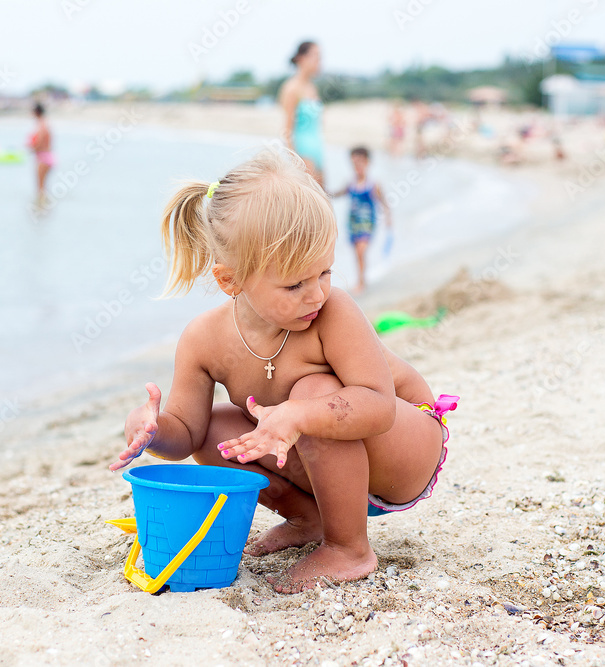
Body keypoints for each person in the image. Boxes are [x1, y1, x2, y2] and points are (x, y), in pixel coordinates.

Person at [109, 150, 457, 594]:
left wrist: (298, 415)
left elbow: (378, 406)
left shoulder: (333, 313)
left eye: (326, 272)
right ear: (230, 280)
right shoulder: (204, 339)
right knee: (215, 430)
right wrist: (150, 429)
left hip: (403, 447)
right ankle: (308, 517)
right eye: (294, 284)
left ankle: (349, 548)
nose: (316, 294)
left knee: (312, 391)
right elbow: (186, 436)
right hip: (324, 466)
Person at [330, 146, 392, 293]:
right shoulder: (351, 183)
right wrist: (321, 192)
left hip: (367, 223)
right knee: (356, 253)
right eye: (354, 163)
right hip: (352, 223)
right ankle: (362, 277)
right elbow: (337, 194)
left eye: (360, 162)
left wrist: (388, 219)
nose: (357, 166)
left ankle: (361, 282)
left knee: (360, 251)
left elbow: (384, 203)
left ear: (367, 163)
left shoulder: (373, 185)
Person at [280, 41, 324, 186]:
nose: (319, 61)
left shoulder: (312, 88)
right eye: (315, 56)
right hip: (303, 152)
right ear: (301, 58)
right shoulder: (291, 88)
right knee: (311, 202)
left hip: (318, 149)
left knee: (325, 202)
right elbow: (287, 130)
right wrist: (295, 162)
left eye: (320, 57)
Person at [28, 102, 54, 200]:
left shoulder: (42, 125)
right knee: (42, 186)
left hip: (43, 156)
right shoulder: (45, 123)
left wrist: (32, 149)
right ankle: (43, 205)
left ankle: (41, 205)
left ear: (36, 112)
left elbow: (40, 142)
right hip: (46, 155)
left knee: (40, 187)